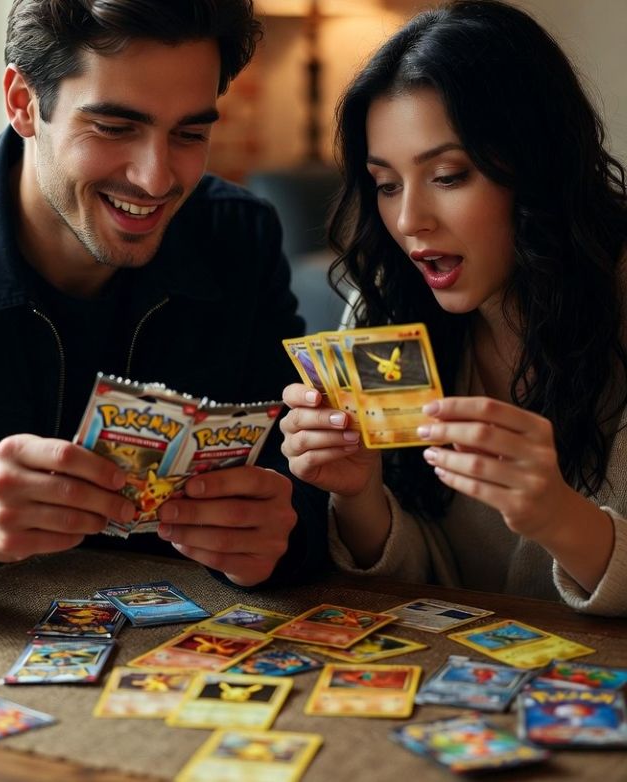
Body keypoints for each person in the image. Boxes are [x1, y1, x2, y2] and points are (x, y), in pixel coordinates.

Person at [0, 0, 328, 610]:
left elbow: (299, 483)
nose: (155, 178)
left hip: (173, 664)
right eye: (114, 128)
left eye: (190, 134)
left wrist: (283, 533)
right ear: (21, 102)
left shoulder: (239, 240)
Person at [281, 0, 627, 616]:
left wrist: (559, 517)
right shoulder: (382, 307)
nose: (409, 221)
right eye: (387, 185)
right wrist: (359, 493)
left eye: (447, 175)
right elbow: (424, 598)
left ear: (537, 168)